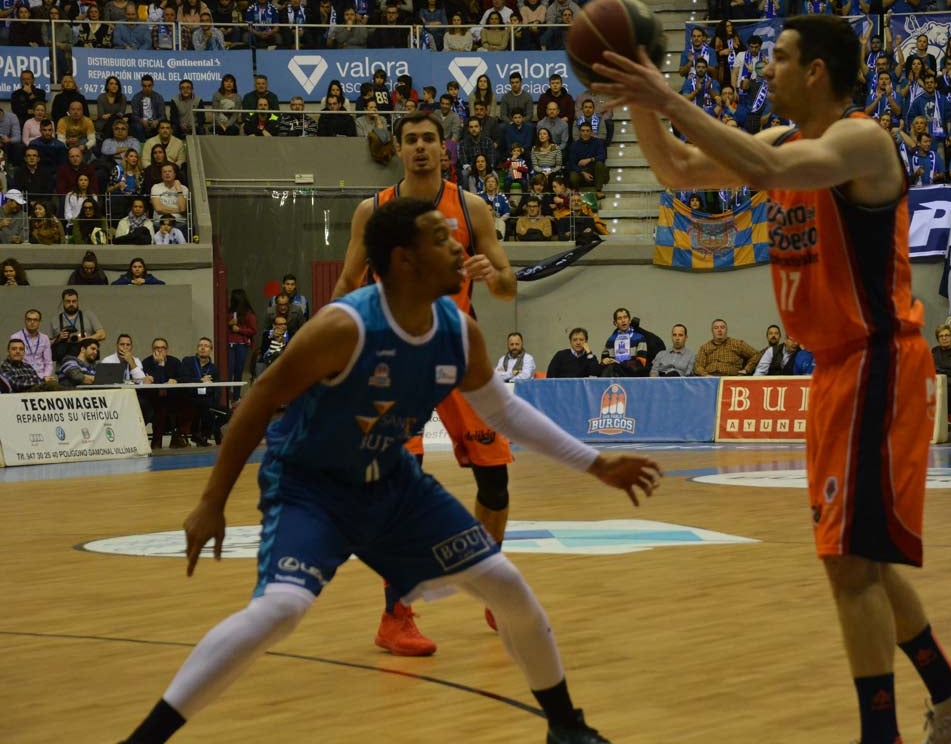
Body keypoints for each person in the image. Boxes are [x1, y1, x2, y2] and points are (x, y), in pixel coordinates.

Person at [596, 14, 951, 744]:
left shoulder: (861, 142)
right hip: (836, 372)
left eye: (780, 58)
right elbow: (679, 172)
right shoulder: (784, 142)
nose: (767, 70)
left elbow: (775, 174)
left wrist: (667, 97)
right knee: (856, 560)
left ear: (816, 71)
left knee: (850, 566)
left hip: (877, 360)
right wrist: (639, 96)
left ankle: (883, 734)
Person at [118, 197, 658, 744]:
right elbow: (259, 398)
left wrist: (595, 462)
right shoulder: (344, 326)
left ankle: (566, 728)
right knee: (281, 609)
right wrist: (212, 500)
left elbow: (502, 410)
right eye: (441, 239)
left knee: (506, 584)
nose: (457, 246)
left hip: (392, 483)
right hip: (312, 486)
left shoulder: (459, 330)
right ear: (405, 260)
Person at [332, 113, 522, 656]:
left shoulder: (472, 207)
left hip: (461, 359)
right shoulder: (374, 210)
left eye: (429, 140)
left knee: (496, 485)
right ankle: (395, 618)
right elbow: (347, 284)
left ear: (445, 149)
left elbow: (507, 286)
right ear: (398, 149)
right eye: (410, 140)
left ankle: (493, 590)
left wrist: (494, 274)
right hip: (396, 365)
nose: (420, 148)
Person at [9, 308, 55, 383]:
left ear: (39, 322)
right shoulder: (15, 337)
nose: (32, 322)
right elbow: (13, 362)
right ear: (25, 321)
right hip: (24, 376)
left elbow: (48, 362)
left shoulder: (45, 338)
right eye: (29, 319)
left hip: (42, 376)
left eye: (35, 320)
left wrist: (45, 377)